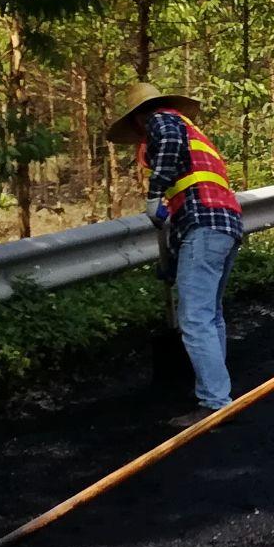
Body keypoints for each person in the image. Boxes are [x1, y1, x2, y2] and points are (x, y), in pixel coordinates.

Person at [107, 81, 246, 428]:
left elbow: (167, 145)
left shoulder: (161, 119)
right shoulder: (191, 132)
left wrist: (153, 194)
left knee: (196, 318)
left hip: (203, 225)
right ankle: (215, 389)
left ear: (138, 119)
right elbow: (186, 194)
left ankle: (215, 402)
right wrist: (171, 259)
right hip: (223, 223)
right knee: (210, 315)